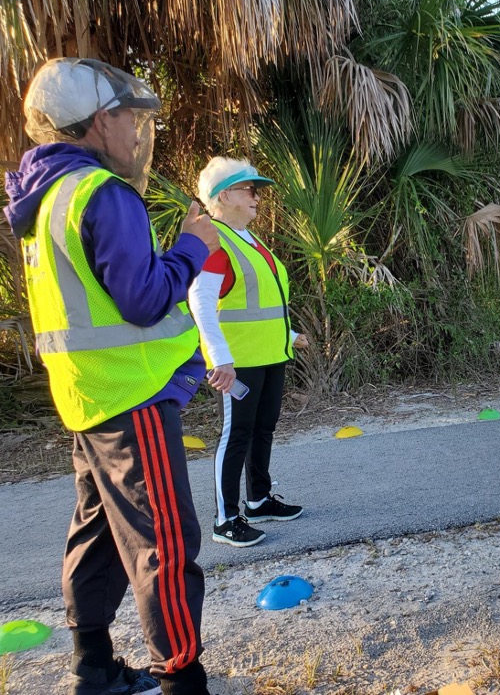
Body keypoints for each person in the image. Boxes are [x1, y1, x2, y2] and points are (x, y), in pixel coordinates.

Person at [3, 58, 218, 695]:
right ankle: (182, 678)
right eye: (131, 118)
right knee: (165, 545)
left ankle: (91, 667)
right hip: (134, 396)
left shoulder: (43, 201)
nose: (136, 132)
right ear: (102, 121)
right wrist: (191, 247)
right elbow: (146, 299)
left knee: (97, 533)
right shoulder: (102, 193)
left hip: (86, 398)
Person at [188, 157, 308, 549]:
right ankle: (226, 519)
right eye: (248, 189)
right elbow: (201, 303)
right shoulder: (216, 241)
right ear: (224, 196)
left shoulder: (251, 241)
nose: (256, 197)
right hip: (237, 362)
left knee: (263, 429)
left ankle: (257, 500)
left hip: (270, 355)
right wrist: (218, 357)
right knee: (236, 435)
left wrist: (289, 335)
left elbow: (257, 302)